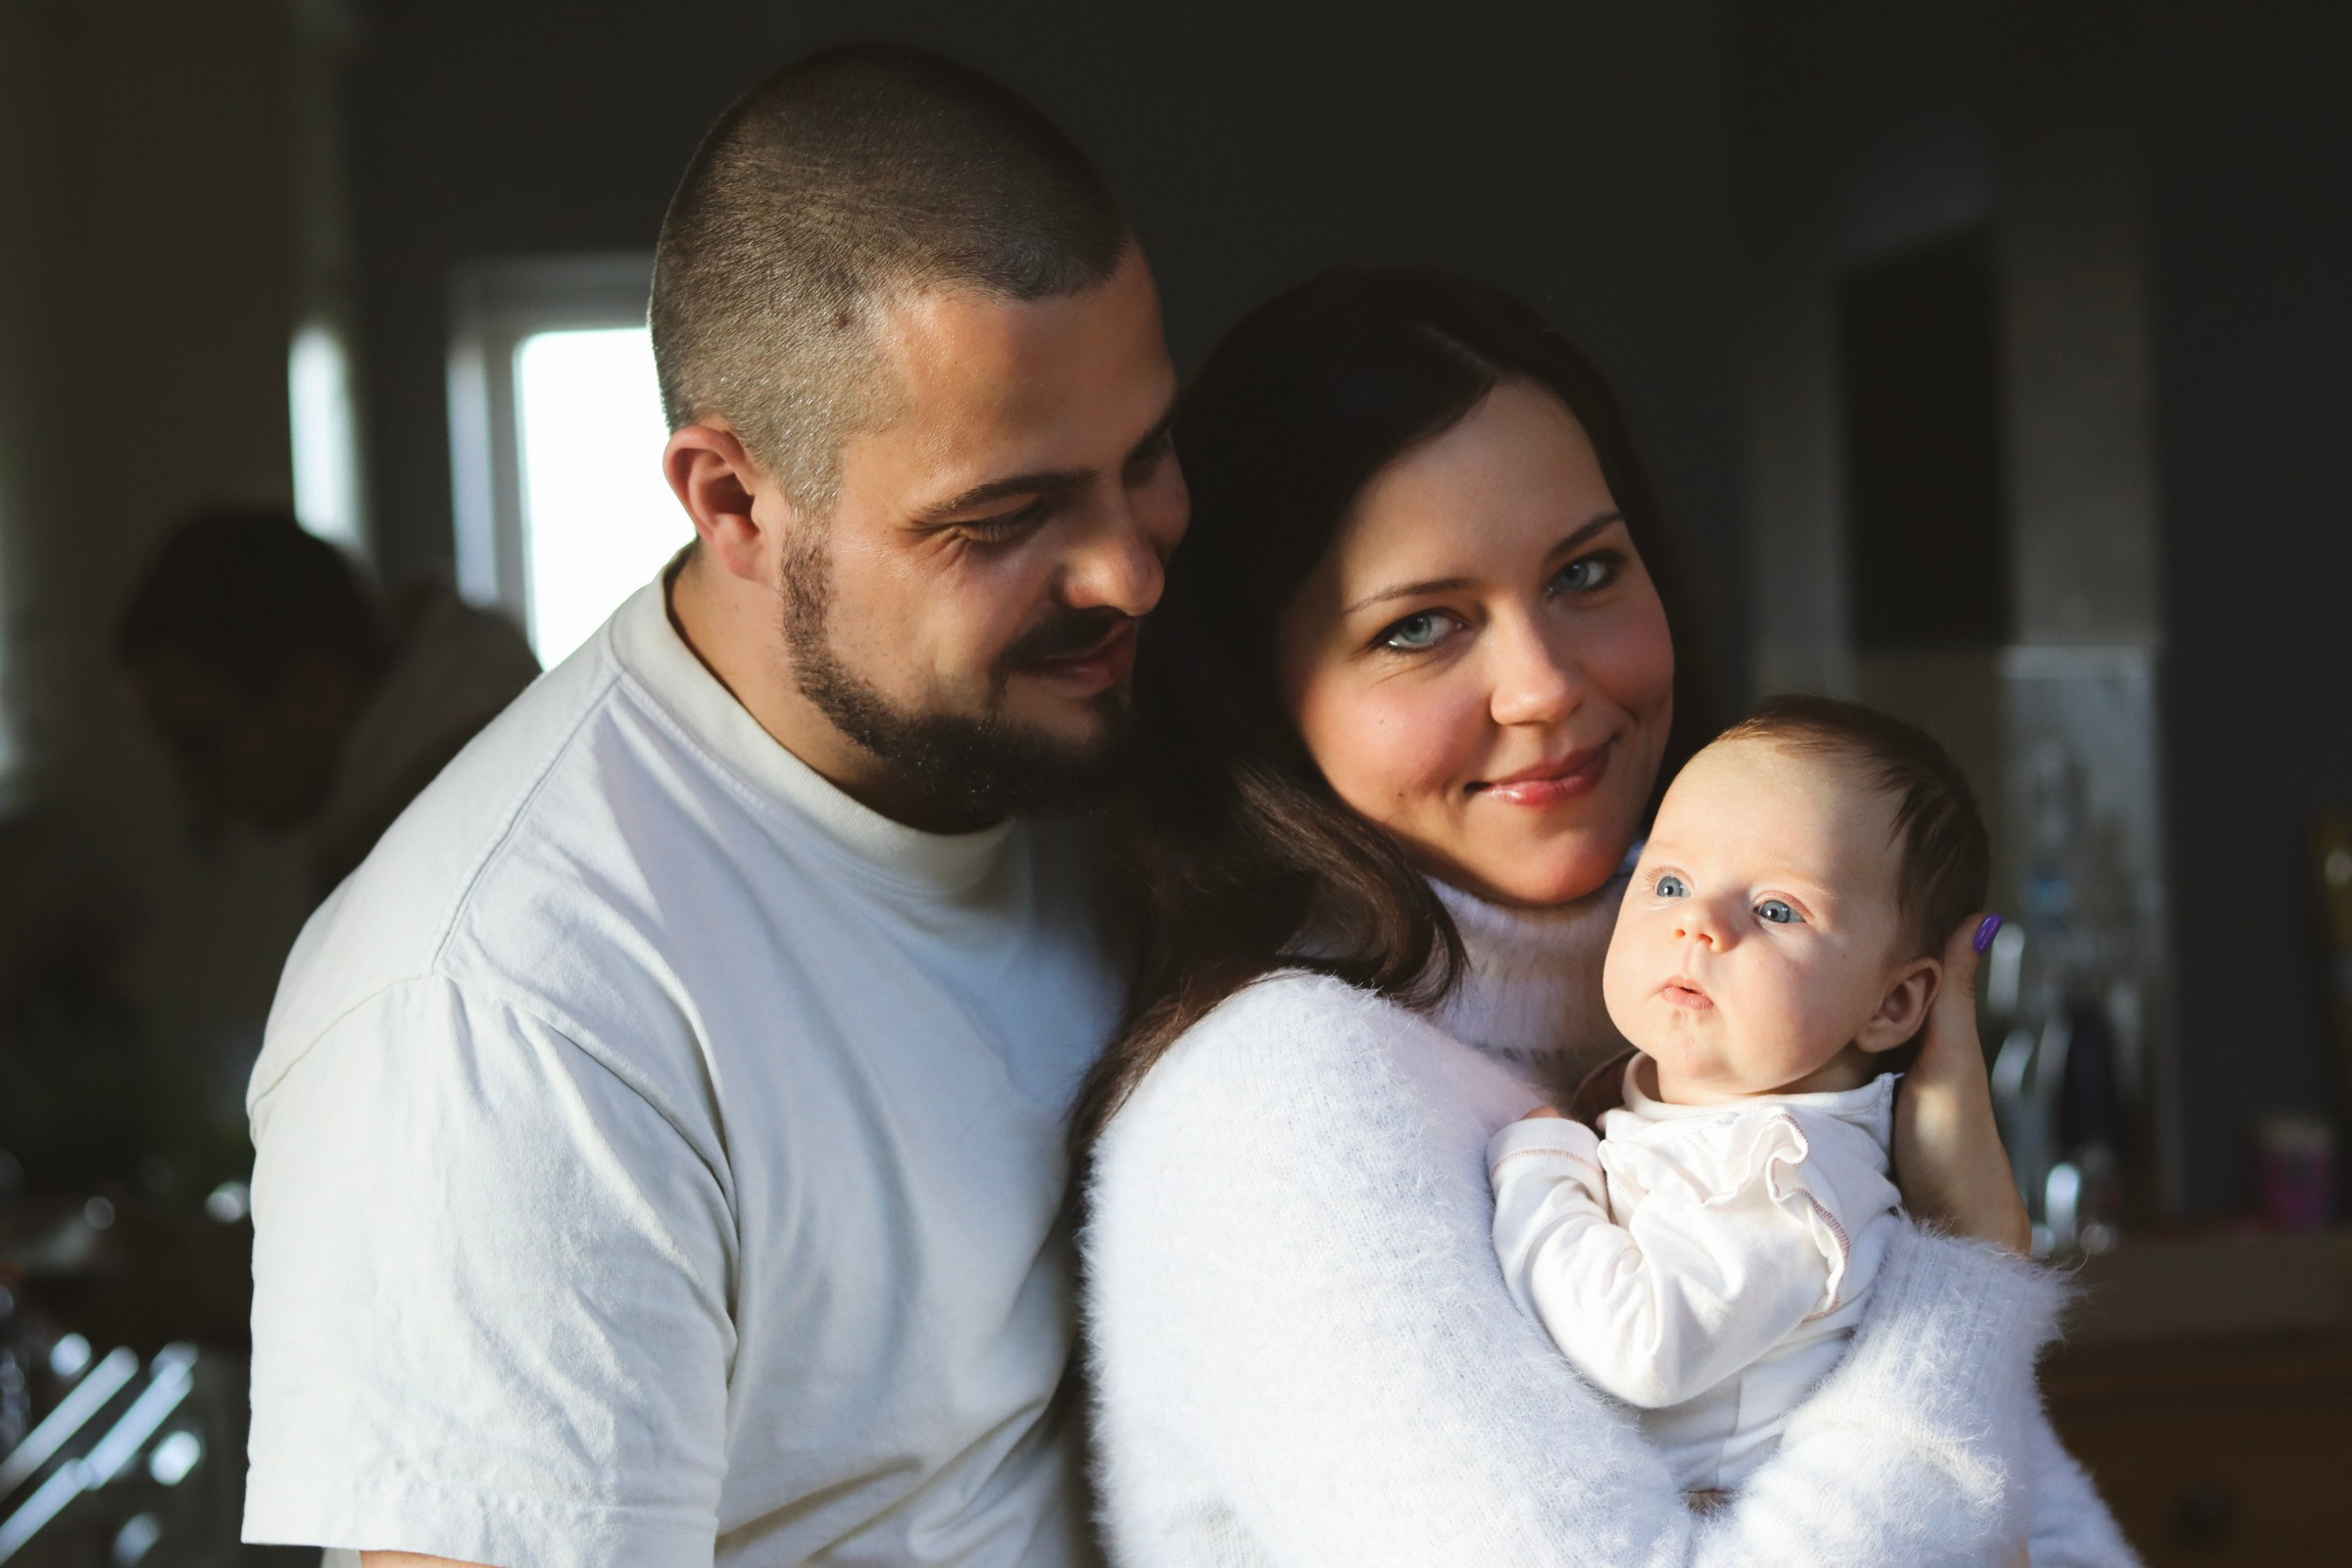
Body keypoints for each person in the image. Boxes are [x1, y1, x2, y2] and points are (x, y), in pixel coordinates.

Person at [242, 45, 1182, 1568]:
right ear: (734, 502)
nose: (1128, 571)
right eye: (1007, 518)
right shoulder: (507, 1007)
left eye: (1147, 460)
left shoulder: (1077, 734)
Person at [1076, 268, 2137, 1565]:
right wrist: (1967, 1274)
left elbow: (2044, 1532)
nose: (1544, 685)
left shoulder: (1720, 1017)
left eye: (1585, 570)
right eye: (1420, 626)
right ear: (1261, 692)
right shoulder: (1282, 1100)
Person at [1489, 696, 1994, 1505]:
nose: (1698, 924)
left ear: (1893, 1003)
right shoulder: (1699, 1109)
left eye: (1775, 910)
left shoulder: (1787, 1180)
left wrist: (1539, 1171)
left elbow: (1643, 1345)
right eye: (1670, 881)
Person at [118, 508, 541, 901]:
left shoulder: (446, 860)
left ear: (312, 692)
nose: (191, 786)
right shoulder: (417, 822)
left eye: (200, 743)